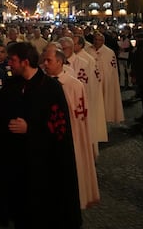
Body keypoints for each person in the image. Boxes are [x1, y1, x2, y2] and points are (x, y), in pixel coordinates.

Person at [0, 42, 81, 228]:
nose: (10, 64)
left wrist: (31, 129)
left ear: (25, 62)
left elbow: (59, 127)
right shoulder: (11, 86)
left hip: (42, 166)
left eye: (13, 60)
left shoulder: (50, 88)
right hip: (16, 163)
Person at [41, 47, 100, 210]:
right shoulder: (42, 83)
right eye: (44, 60)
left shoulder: (74, 85)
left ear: (60, 62)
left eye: (49, 61)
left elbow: (79, 114)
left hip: (70, 135)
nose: (45, 64)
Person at [86, 31, 124, 124]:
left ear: (103, 41)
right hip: (91, 81)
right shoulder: (88, 50)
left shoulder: (109, 52)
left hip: (104, 81)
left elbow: (111, 69)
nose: (96, 41)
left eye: (99, 40)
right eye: (95, 39)